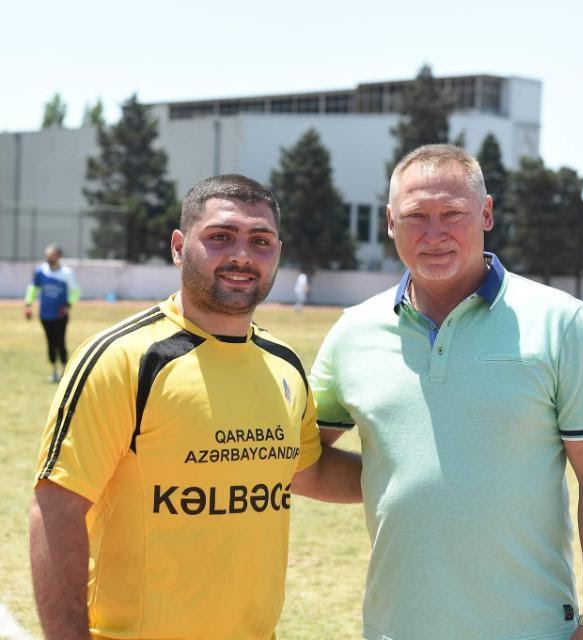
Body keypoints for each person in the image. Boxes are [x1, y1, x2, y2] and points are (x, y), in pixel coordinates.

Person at [310, 145, 583, 640]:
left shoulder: (560, 321)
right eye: (416, 216)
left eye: (453, 213)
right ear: (391, 222)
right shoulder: (354, 331)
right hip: (397, 628)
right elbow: (303, 461)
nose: (434, 234)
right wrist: (387, 477)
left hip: (533, 629)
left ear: (486, 214)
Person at [29, 174, 362, 640]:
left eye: (260, 240)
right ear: (179, 246)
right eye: (221, 236)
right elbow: (57, 505)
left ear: (278, 253)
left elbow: (309, 472)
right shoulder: (125, 358)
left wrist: (419, 476)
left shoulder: (284, 365)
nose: (242, 255)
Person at [24, 243, 81, 382]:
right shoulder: (40, 272)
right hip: (45, 314)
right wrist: (28, 304)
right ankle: (54, 371)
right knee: (50, 342)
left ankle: (64, 370)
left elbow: (76, 292)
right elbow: (33, 289)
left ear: (59, 256)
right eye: (47, 255)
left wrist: (68, 305)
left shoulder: (67, 273)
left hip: (60, 315)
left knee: (60, 342)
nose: (49, 258)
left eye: (52, 255)